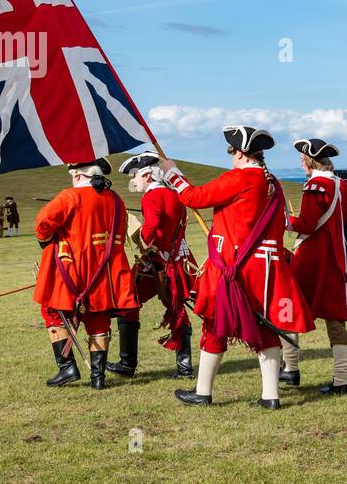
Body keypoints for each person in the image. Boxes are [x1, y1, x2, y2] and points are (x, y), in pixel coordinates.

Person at [158, 126, 314, 409]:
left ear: (241, 153)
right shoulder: (273, 183)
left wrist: (172, 173)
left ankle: (203, 392)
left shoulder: (239, 178)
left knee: (214, 324)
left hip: (234, 267)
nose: (230, 156)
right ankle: (270, 396)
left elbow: (194, 197)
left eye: (231, 151)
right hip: (267, 266)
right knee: (264, 327)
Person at [32, 160, 139, 389]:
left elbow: (42, 223)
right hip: (107, 273)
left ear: (78, 175)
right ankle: (97, 378)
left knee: (53, 311)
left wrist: (48, 240)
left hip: (74, 270)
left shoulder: (70, 196)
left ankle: (67, 367)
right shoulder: (117, 200)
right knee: (98, 318)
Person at [280, 137, 347, 394]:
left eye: (302, 158)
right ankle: (341, 381)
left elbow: (306, 224)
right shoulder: (342, 186)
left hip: (313, 257)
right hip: (339, 254)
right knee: (336, 319)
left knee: (287, 308)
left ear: (308, 160)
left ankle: (291, 369)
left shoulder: (315, 185)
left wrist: (285, 221)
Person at [108, 152, 198, 380]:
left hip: (157, 261)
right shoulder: (175, 194)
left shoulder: (150, 198)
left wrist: (142, 238)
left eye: (135, 175)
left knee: (127, 301)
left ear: (147, 175)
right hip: (180, 259)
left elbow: (152, 227)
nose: (134, 180)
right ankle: (185, 367)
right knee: (176, 307)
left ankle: (127, 364)